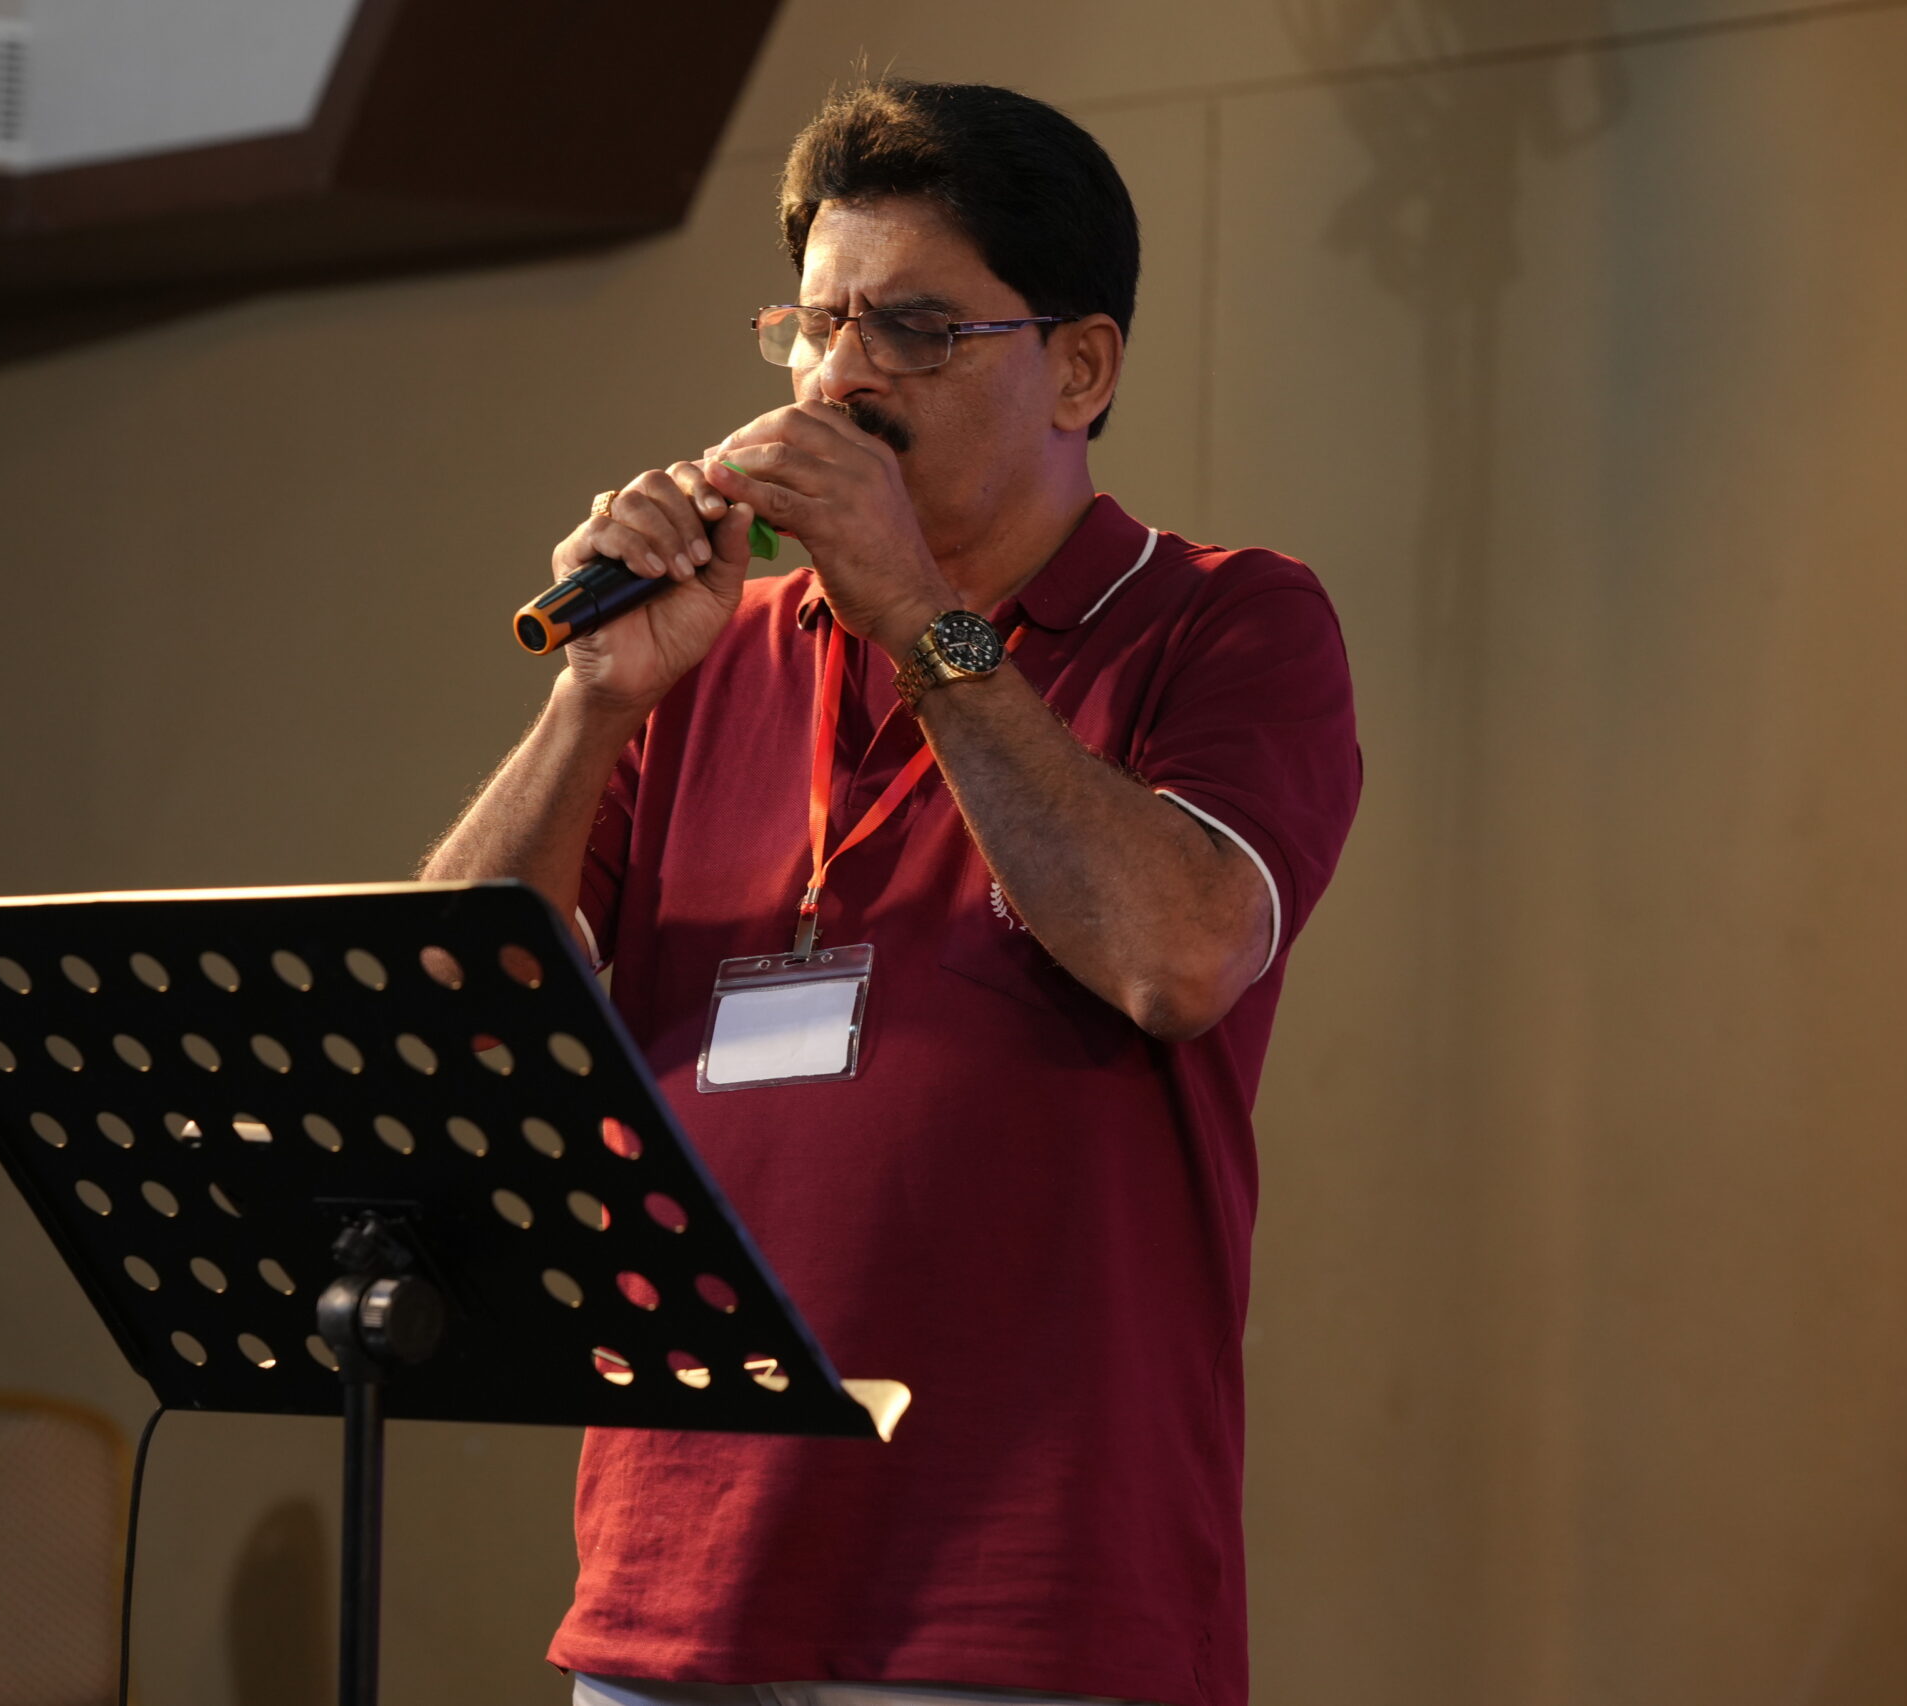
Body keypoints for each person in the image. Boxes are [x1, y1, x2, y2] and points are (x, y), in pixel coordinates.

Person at [424, 79, 1360, 1706]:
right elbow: (446, 1024)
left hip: (1018, 1602)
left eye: (916, 331)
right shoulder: (702, 662)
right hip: (675, 1585)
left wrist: (917, 613)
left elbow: (1177, 954)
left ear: (1082, 368)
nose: (840, 377)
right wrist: (594, 702)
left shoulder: (1227, 623)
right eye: (815, 324)